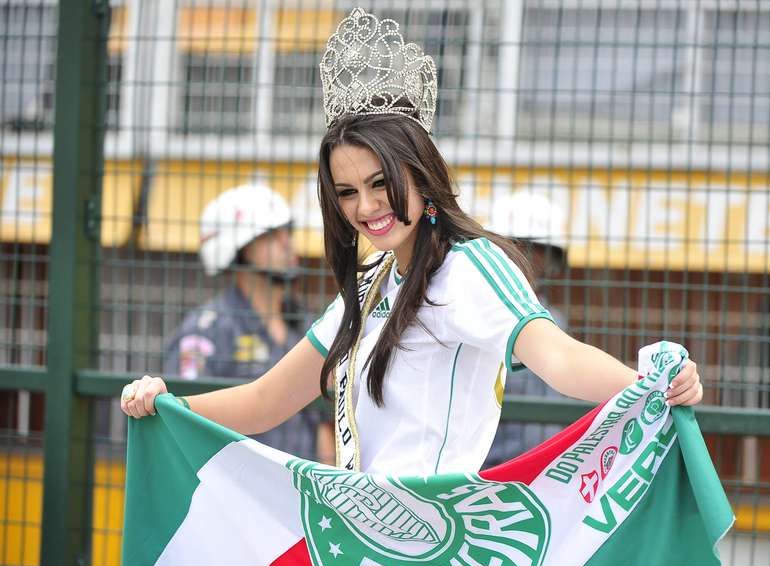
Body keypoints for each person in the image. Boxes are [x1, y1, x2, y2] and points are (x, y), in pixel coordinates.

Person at [122, 7, 702, 477]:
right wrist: (165, 402)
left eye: (381, 183)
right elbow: (265, 401)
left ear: (422, 177)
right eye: (346, 192)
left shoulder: (471, 267)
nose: (367, 207)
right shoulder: (370, 285)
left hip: (435, 544)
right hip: (369, 539)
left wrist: (650, 386)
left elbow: (558, 357)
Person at [162, 184, 333, 462]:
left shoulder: (308, 325)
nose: (287, 242)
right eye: (269, 235)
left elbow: (324, 422)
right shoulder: (207, 332)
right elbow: (183, 427)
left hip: (302, 495)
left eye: (287, 231)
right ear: (237, 251)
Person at [483, 192, 570, 467]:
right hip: (485, 474)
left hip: (545, 471)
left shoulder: (553, 319)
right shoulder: (476, 317)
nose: (531, 261)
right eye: (522, 248)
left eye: (542, 252)